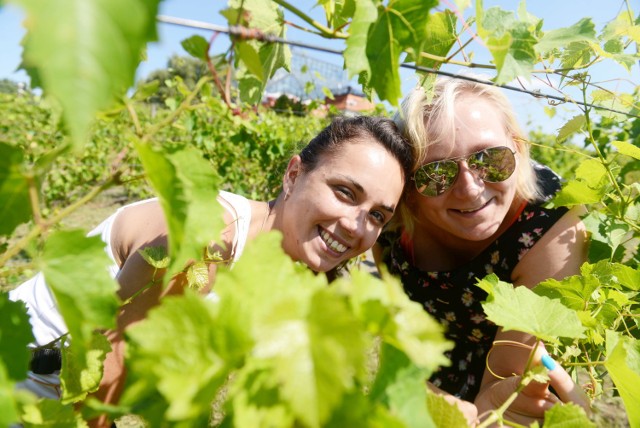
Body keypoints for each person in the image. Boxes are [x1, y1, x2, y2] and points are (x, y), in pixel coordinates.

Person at [9, 115, 413, 422]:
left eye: (377, 215)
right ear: (293, 175)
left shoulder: (300, 274)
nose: (356, 225)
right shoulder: (208, 236)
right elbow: (102, 376)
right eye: (345, 192)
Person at [374, 77, 590, 425]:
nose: (469, 188)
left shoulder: (552, 230)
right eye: (436, 173)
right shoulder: (390, 218)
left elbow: (499, 401)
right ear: (409, 184)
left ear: (518, 148)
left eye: (489, 158)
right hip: (421, 373)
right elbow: (396, 338)